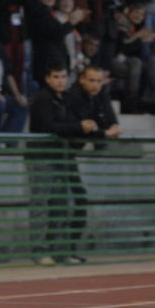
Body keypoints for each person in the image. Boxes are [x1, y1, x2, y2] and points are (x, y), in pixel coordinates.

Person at [27, 63, 90, 266]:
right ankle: (39, 251)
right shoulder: (43, 98)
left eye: (63, 77)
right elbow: (50, 126)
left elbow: (76, 122)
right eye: (56, 76)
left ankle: (60, 251)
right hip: (42, 156)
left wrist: (86, 127)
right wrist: (78, 127)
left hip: (61, 155)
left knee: (61, 204)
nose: (60, 81)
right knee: (41, 203)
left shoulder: (67, 98)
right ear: (47, 78)